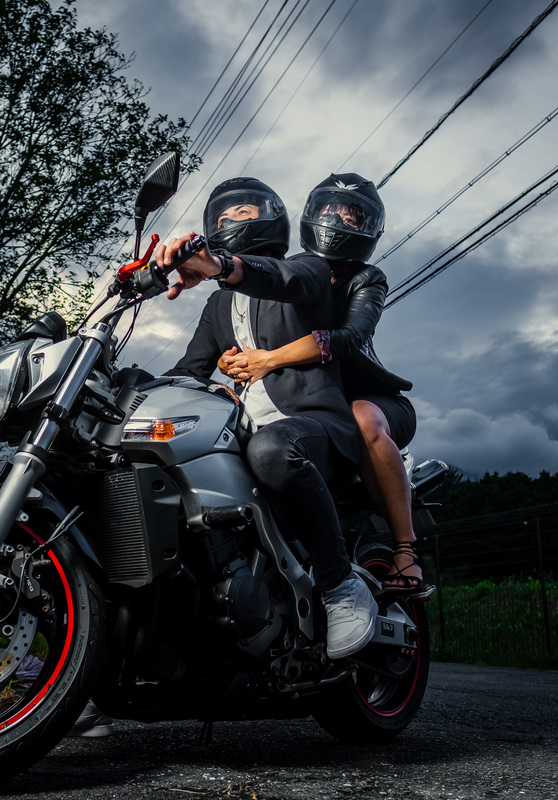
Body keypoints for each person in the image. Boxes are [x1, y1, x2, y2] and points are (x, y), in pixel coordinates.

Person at [158, 177, 378, 660]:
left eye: (247, 211)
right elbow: (188, 371)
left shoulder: (307, 270)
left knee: (273, 448)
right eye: (227, 215)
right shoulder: (217, 305)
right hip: (248, 432)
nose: (237, 220)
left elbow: (280, 279)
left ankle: (340, 585)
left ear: (273, 215)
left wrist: (222, 264)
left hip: (315, 428)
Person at [218, 174, 424, 593]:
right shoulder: (296, 269)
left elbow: (350, 339)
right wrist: (231, 356)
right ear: (312, 215)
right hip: (308, 407)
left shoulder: (367, 278)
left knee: (363, 417)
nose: (338, 220)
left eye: (351, 215)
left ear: (368, 229)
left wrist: (269, 360)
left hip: (369, 400)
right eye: (330, 211)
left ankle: (406, 550)